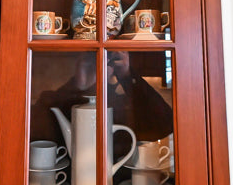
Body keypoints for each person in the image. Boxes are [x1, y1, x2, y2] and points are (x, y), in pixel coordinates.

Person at [31, 51, 173, 158]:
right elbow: (34, 133)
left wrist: (127, 76)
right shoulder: (60, 101)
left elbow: (165, 126)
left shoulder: (126, 105)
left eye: (107, 59)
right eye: (92, 61)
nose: (98, 66)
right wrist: (77, 85)